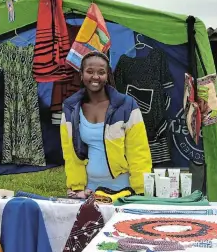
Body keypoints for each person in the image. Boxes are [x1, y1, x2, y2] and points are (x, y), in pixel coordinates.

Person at [60, 51, 152, 199]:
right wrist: (77, 188)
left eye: (101, 72)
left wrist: (140, 191)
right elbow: (70, 153)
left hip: (123, 190)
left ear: (108, 75)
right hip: (90, 190)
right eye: (90, 71)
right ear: (81, 75)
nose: (95, 76)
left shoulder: (126, 105)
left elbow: (139, 151)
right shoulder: (71, 107)